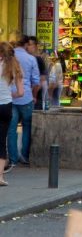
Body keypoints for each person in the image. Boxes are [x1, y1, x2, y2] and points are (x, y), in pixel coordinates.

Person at [7, 36, 39, 169]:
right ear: (26, 45)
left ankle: (13, 158)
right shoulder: (31, 59)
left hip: (10, 96)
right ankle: (25, 156)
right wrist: (34, 95)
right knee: (27, 127)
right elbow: (36, 81)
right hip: (26, 97)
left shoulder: (9, 58)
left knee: (11, 128)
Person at [0, 42, 25, 182]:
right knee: (1, 141)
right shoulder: (15, 67)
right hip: (6, 106)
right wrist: (10, 95)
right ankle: (0, 176)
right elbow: (21, 92)